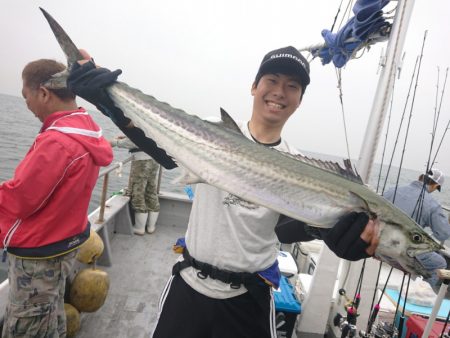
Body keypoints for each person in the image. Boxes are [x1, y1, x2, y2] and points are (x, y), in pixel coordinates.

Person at [67, 46, 379, 338]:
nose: (280, 92)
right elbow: (157, 144)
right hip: (188, 287)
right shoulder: (207, 133)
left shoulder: (299, 167)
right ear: (254, 86)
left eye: (292, 86)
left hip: (249, 299)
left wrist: (330, 232)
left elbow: (287, 225)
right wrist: (106, 99)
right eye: (272, 80)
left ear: (299, 100)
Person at [0, 59, 113, 337]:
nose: (27, 105)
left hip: (38, 254)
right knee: (50, 314)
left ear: (44, 93)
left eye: (26, 96)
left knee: (28, 324)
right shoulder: (86, 129)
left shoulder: (56, 143)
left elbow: (21, 200)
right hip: (63, 245)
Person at [384, 168, 450, 292]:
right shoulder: (432, 204)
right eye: (437, 188)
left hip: (380, 245)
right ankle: (426, 295)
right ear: (435, 185)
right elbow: (443, 234)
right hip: (401, 251)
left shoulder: (392, 190)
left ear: (420, 177)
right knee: (440, 262)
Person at [110, 135, 160, 234]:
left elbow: (135, 140)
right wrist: (126, 136)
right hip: (155, 158)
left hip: (142, 160)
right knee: (151, 191)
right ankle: (151, 226)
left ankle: (139, 228)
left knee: (138, 192)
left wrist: (114, 142)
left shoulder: (139, 123)